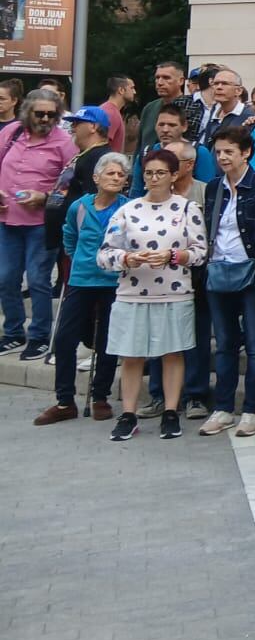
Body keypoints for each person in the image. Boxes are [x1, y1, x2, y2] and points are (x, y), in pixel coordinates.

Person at [99, 148, 209, 441]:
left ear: (174, 175)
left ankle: (170, 411)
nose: (154, 178)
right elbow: (105, 253)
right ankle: (128, 413)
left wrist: (174, 256)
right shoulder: (128, 209)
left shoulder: (187, 209)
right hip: (132, 292)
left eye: (161, 173)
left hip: (174, 292)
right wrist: (127, 258)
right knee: (132, 355)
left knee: (173, 353)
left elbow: (200, 252)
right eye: (148, 173)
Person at [34, 154, 131, 426]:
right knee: (65, 338)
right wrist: (79, 258)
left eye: (120, 175)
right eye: (110, 173)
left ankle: (100, 396)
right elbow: (69, 235)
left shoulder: (128, 208)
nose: (116, 178)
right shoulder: (79, 206)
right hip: (81, 279)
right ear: (96, 178)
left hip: (113, 281)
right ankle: (64, 401)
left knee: (108, 340)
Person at [198, 128, 255, 439]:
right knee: (225, 343)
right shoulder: (213, 187)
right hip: (219, 270)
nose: (222, 158)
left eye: (229, 152)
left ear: (245, 152)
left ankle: (251, 410)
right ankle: (223, 408)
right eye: (218, 152)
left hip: (253, 273)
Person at [0, 91, 76, 357]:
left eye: (51, 114)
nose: (45, 119)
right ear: (27, 112)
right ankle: (13, 332)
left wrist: (44, 197)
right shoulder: (11, 133)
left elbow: (70, 186)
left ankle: (40, 336)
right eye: (39, 113)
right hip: (7, 219)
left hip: (41, 223)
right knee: (5, 278)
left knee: (37, 280)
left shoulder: (64, 142)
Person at [132, 102, 216, 193]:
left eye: (172, 125)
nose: (165, 130)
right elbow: (136, 192)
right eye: (161, 124)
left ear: (184, 127)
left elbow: (208, 191)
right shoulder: (146, 153)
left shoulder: (199, 152)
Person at [138, 61, 204, 147]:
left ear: (181, 81)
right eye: (157, 78)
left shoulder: (193, 108)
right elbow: (140, 144)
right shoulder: (150, 108)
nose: (160, 82)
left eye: (166, 78)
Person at [199, 68, 252, 146]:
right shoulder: (212, 112)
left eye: (225, 83)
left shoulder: (250, 116)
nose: (219, 87)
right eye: (216, 83)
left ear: (238, 91)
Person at [99, 75, 136, 153]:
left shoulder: (108, 109)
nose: (134, 92)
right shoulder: (111, 113)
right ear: (121, 90)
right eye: (132, 88)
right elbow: (101, 145)